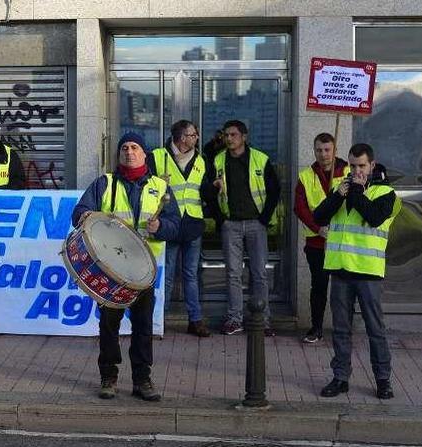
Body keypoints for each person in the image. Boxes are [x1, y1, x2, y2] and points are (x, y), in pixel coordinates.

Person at [72, 131, 180, 402]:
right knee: (109, 326)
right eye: (124, 148)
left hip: (143, 273)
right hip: (111, 272)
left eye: (134, 148)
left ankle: (142, 380)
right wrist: (85, 215)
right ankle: (108, 377)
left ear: (144, 154)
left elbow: (177, 225)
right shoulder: (104, 184)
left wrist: (161, 226)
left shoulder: (161, 187)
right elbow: (80, 212)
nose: (129, 152)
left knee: (143, 327)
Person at [314, 143, 399, 400]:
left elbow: (373, 217)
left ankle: (383, 380)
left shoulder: (387, 193)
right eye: (352, 165)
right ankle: (340, 378)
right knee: (340, 329)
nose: (356, 170)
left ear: (372, 165)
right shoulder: (341, 187)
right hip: (340, 270)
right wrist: (337, 195)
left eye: (361, 165)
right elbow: (319, 216)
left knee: (375, 329)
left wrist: (357, 192)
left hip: (367, 272)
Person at [203, 120, 280, 336]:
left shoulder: (260, 159)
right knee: (233, 274)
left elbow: (275, 191)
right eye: (226, 135)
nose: (229, 139)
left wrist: (264, 219)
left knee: (259, 274)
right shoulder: (218, 160)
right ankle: (234, 319)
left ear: (244, 137)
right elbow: (208, 194)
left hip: (256, 224)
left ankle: (263, 320)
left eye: (233, 135)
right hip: (231, 225)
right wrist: (221, 219)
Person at [148, 120, 210, 337]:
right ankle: (158, 321)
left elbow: (204, 191)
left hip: (193, 223)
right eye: (193, 135)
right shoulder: (156, 157)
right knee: (166, 274)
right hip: (168, 223)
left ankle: (195, 320)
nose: (196, 138)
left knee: (191, 275)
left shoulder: (201, 160)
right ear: (182, 138)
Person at [293, 133, 348, 344]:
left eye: (327, 150)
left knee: (344, 288)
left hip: (343, 242)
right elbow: (300, 207)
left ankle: (343, 329)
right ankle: (316, 328)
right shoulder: (306, 176)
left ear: (335, 150)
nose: (323, 154)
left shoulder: (348, 172)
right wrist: (318, 228)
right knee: (318, 287)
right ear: (314, 150)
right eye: (319, 150)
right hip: (317, 242)